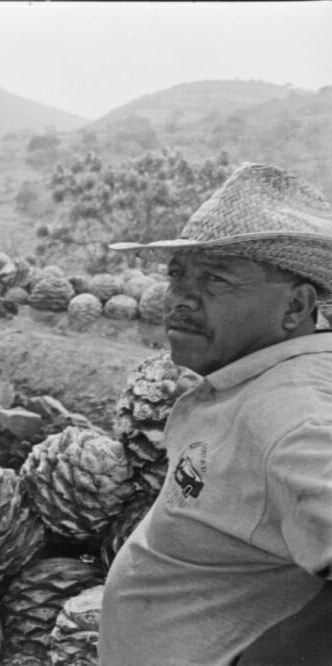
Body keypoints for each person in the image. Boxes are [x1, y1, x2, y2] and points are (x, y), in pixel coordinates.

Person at [100, 162, 332, 665]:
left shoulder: (291, 419)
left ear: (296, 307)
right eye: (178, 274)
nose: (181, 297)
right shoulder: (257, 384)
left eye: (216, 279)